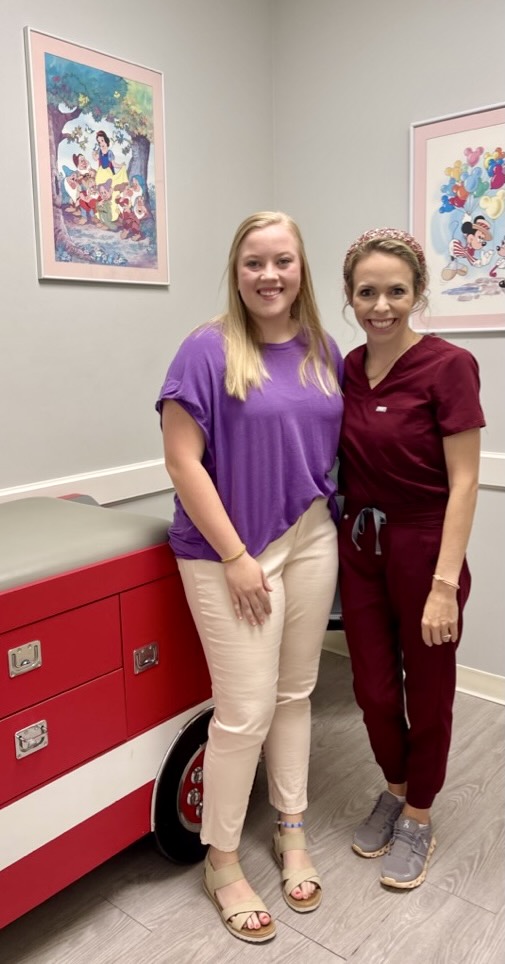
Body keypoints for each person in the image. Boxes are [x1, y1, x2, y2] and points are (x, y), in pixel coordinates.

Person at [156, 211, 344, 943]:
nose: (269, 276)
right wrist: (236, 556)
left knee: (297, 692)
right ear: (236, 272)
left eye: (283, 262)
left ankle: (291, 830)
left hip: (310, 534)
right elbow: (181, 461)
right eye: (253, 263)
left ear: (302, 268)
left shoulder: (322, 349)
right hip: (228, 549)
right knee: (243, 713)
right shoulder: (205, 349)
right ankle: (222, 858)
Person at [337, 227, 485, 890]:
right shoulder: (345, 367)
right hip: (360, 548)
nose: (381, 305)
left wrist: (442, 585)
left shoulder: (449, 366)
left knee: (427, 697)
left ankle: (418, 815)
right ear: (349, 297)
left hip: (426, 549)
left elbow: (465, 481)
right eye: (366, 291)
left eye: (395, 290)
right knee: (370, 690)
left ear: (418, 294)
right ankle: (394, 788)